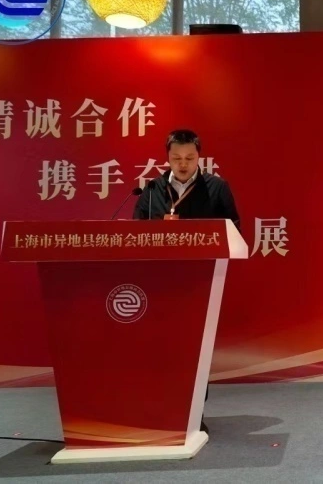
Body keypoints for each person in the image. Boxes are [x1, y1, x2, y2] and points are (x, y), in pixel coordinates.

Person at [133, 129, 240, 435]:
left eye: (189, 158)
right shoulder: (151, 189)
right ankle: (160, 410)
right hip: (157, 283)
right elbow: (135, 233)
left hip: (199, 281)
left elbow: (234, 230)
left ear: (199, 157)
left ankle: (193, 413)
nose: (183, 164)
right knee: (160, 347)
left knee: (194, 349)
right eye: (177, 158)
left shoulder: (216, 188)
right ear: (167, 158)